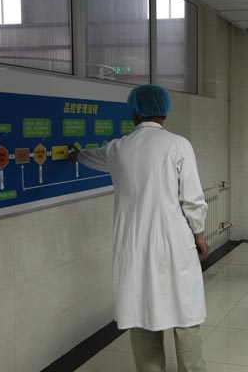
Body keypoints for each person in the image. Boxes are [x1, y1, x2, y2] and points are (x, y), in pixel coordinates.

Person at [67, 85, 209, 372]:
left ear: (134, 113)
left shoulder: (118, 148)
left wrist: (76, 155)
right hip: (174, 243)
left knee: (142, 314)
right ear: (165, 112)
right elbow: (192, 199)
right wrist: (199, 234)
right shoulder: (178, 145)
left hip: (134, 245)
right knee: (185, 314)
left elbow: (91, 156)